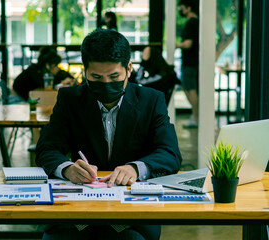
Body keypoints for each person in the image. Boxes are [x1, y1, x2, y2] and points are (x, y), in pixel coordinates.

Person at [36, 29, 182, 240]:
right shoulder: (70, 99)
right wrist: (67, 169)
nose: (106, 84)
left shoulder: (151, 100)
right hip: (77, 210)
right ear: (84, 71)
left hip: (131, 215)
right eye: (96, 77)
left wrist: (135, 168)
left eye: (114, 76)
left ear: (129, 69)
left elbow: (170, 153)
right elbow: (47, 148)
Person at [176, 0, 199, 128]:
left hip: (189, 62)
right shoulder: (198, 22)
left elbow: (188, 43)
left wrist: (175, 45)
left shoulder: (191, 23)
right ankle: (196, 116)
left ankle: (195, 117)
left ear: (188, 8)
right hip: (195, 62)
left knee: (190, 89)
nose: (180, 10)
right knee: (192, 89)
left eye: (182, 7)